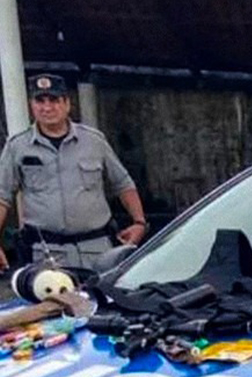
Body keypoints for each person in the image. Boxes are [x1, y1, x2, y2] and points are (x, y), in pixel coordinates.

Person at [0, 74, 147, 270]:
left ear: (67, 104)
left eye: (54, 100)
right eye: (39, 100)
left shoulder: (94, 141)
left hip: (97, 249)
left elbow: (123, 183)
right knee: (52, 300)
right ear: (31, 105)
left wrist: (139, 222)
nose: (47, 107)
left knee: (105, 299)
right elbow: (2, 196)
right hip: (46, 253)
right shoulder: (17, 146)